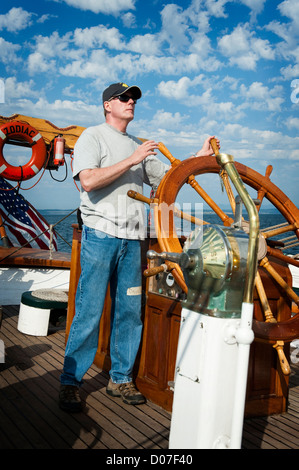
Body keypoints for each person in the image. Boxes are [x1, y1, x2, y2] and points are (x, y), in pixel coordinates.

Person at [59, 82, 219, 412]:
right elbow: (87, 180)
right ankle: (70, 383)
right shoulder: (93, 137)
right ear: (108, 105)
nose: (131, 101)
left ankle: (120, 379)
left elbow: (170, 178)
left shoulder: (138, 145)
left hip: (133, 240)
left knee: (130, 313)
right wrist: (132, 159)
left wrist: (197, 159)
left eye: (134, 98)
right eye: (124, 97)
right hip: (100, 235)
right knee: (89, 311)